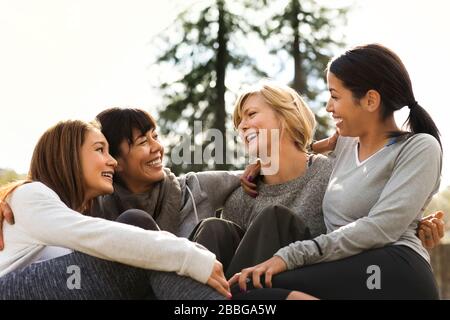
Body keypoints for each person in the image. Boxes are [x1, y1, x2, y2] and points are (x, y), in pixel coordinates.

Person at [228, 44, 443, 299]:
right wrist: (262, 163)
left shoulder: (419, 148)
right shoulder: (344, 143)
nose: (329, 107)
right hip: (345, 267)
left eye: (335, 96)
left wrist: (290, 256)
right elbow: (297, 150)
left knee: (250, 290)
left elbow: (381, 228)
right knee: (245, 290)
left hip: (391, 271)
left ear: (370, 100)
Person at [0, 120, 229, 299]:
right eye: (100, 150)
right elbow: (101, 236)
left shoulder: (62, 213)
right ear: (67, 156)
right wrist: (187, 255)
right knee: (135, 225)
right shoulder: (28, 195)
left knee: (148, 272)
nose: (113, 162)